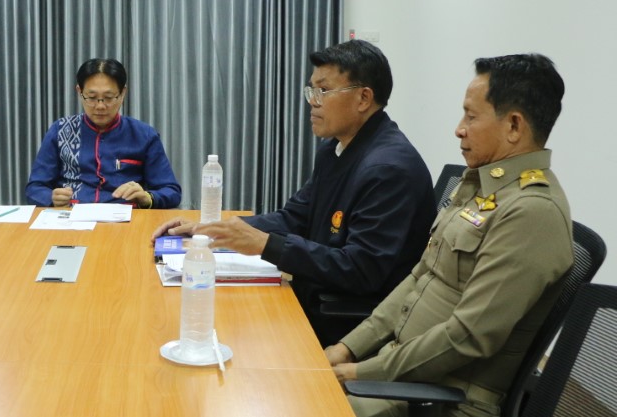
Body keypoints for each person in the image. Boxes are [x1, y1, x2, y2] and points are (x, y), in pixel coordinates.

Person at [328, 54, 572, 417]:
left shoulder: (531, 213)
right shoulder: (481, 185)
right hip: (401, 379)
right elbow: (419, 276)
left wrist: (359, 372)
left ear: (514, 126)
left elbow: (467, 338)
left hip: (443, 408)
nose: (459, 129)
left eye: (471, 117)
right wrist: (346, 348)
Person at [153, 40, 434, 345]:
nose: (313, 102)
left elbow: (361, 270)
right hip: (313, 295)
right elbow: (296, 217)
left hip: (348, 325)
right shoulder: (335, 150)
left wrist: (266, 244)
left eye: (323, 91)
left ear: (363, 98)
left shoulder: (388, 169)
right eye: (311, 91)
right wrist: (211, 229)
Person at [25, 58, 182, 209]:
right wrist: (51, 198)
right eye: (92, 97)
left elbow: (171, 190)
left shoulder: (143, 135)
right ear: (80, 92)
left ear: (123, 93)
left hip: (126, 219)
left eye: (108, 98)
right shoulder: (60, 131)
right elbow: (35, 188)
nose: (100, 106)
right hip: (71, 216)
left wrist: (147, 198)